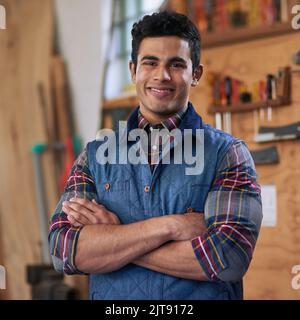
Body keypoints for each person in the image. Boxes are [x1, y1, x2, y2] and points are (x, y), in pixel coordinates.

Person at [49, 11, 262, 300]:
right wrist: (171, 226)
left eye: (176, 64)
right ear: (133, 70)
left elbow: (227, 259)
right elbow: (63, 251)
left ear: (195, 74)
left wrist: (113, 238)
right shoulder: (96, 157)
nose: (162, 75)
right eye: (150, 63)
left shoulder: (227, 154)